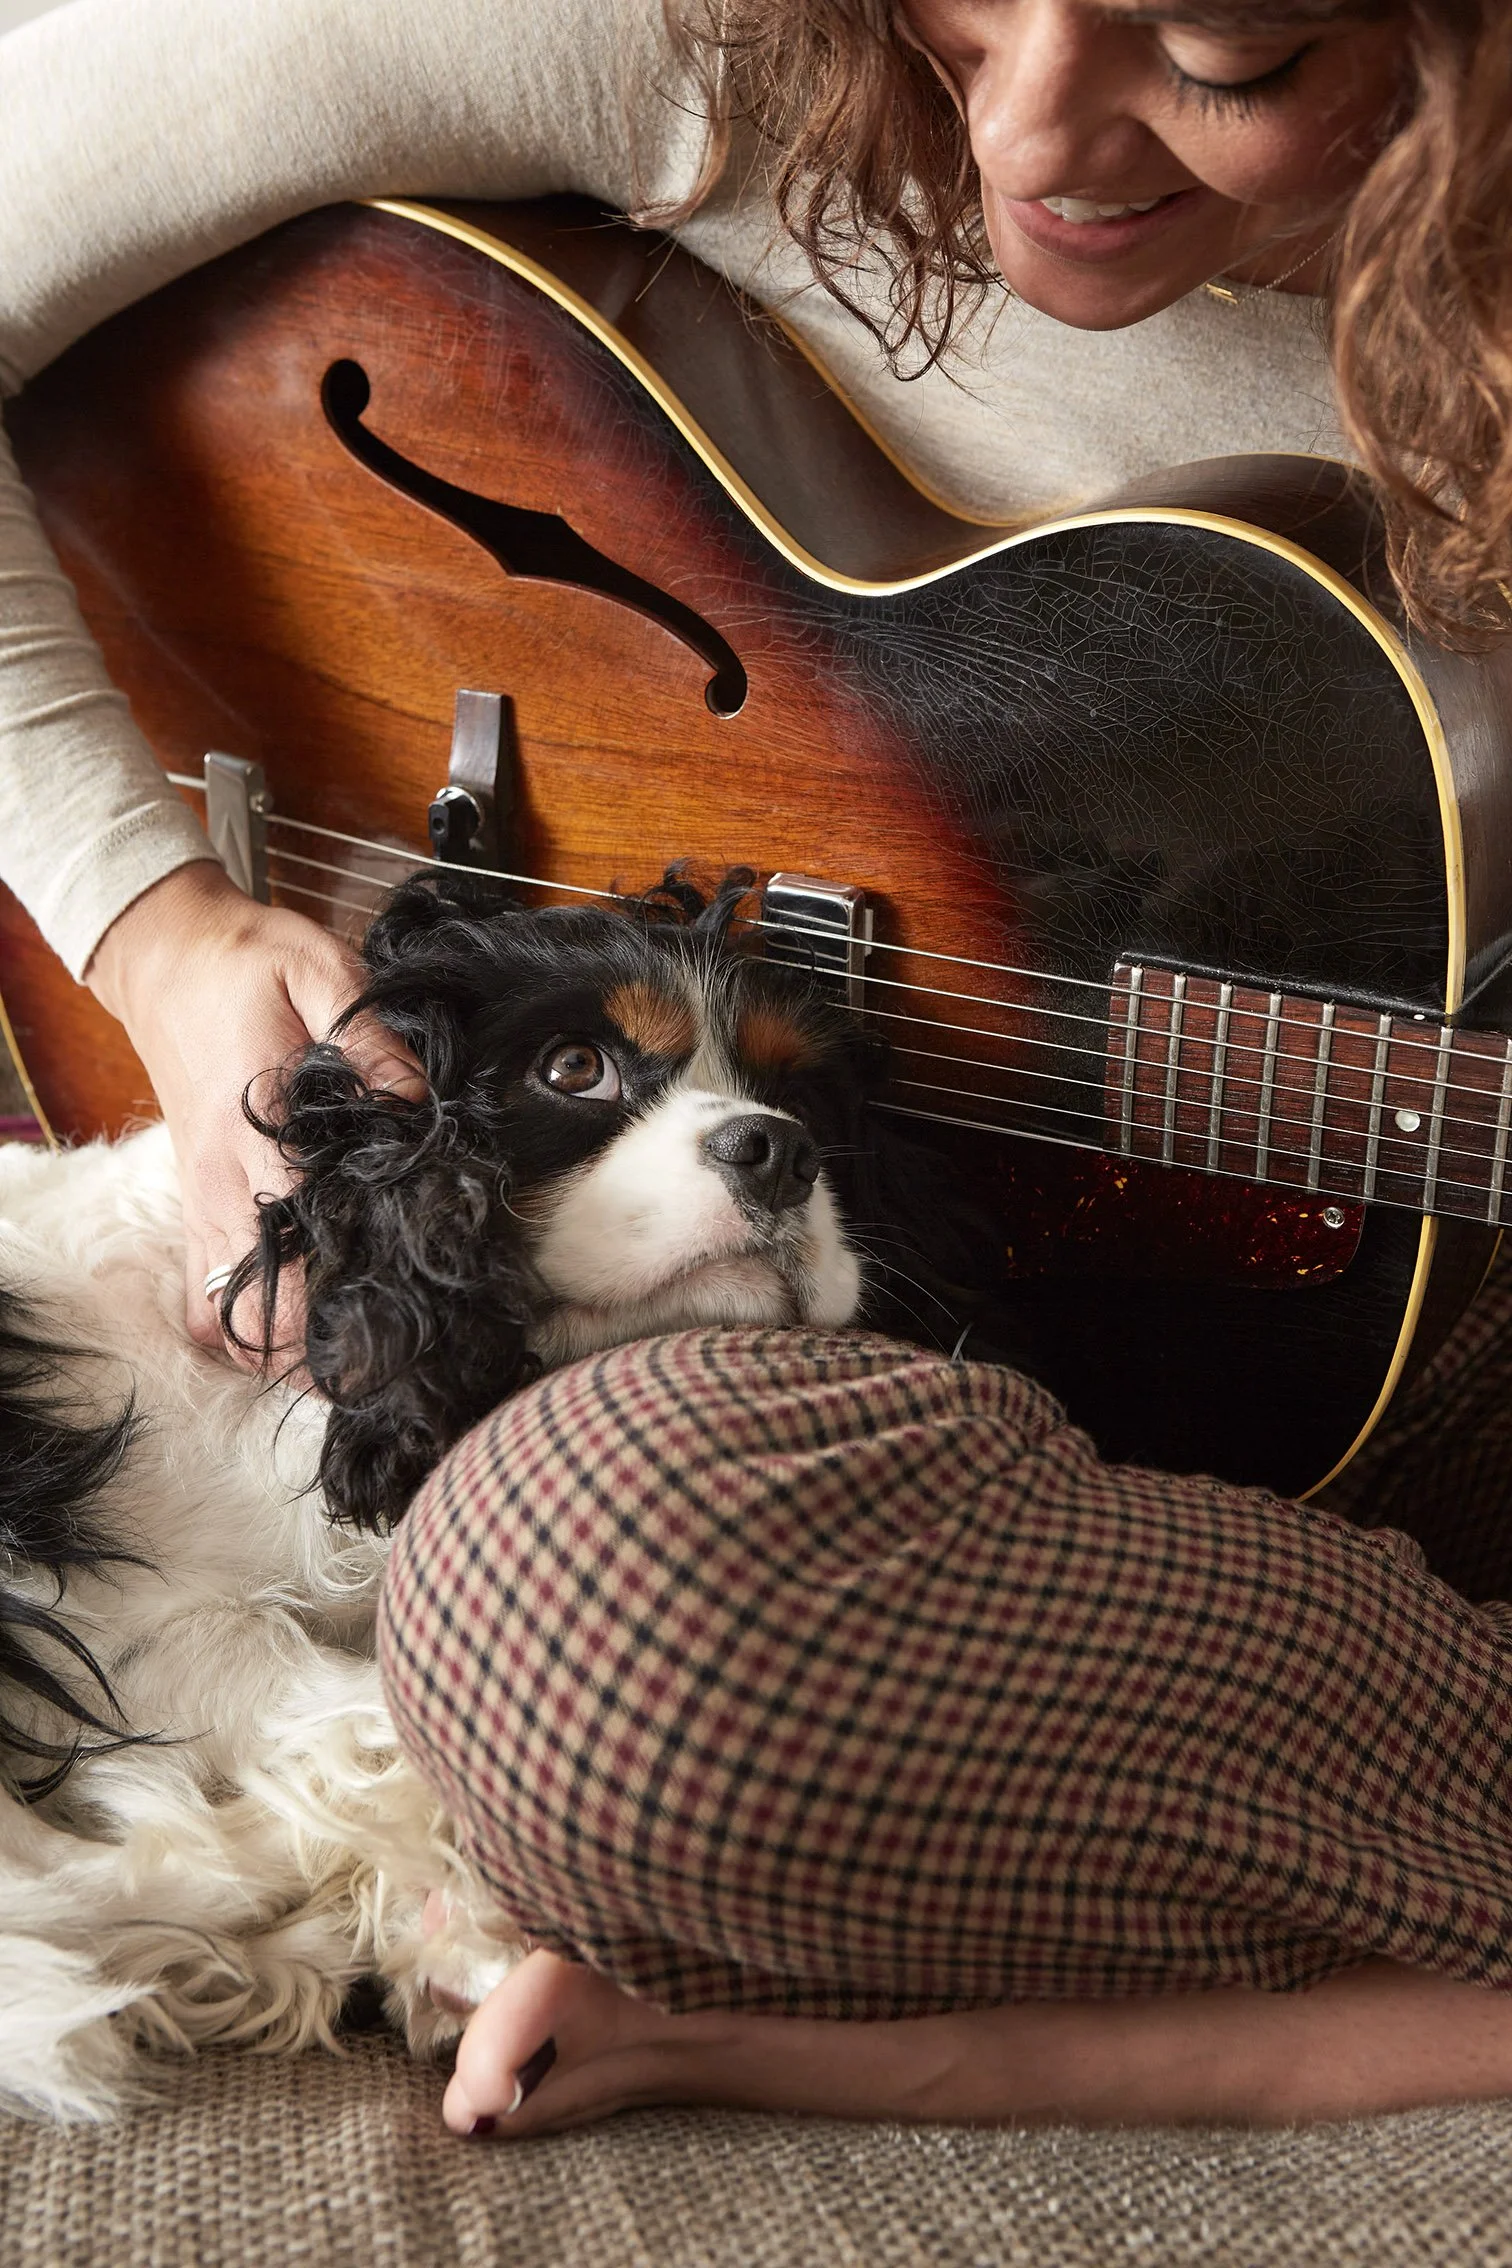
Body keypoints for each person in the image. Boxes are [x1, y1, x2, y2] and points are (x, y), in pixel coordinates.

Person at [6, 0, 1512, 2137]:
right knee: (578, 1598)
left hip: (1393, 1381)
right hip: (833, 1445)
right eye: (962, 9)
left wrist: (870, 2061)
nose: (1024, 131)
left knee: (607, 1604)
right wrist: (146, 921)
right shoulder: (696, 29)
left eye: (1224, 56)